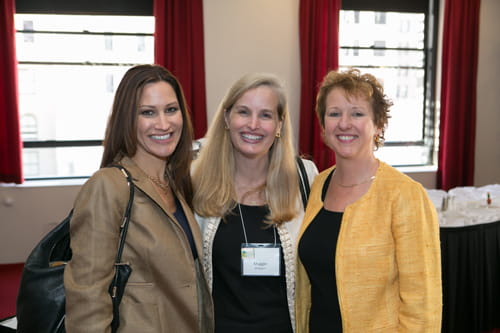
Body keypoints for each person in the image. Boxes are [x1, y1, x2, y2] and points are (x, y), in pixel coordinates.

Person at [64, 64, 214, 332]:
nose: (164, 124)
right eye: (148, 113)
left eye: (171, 109)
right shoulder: (108, 186)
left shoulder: (175, 184)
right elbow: (87, 299)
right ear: (127, 119)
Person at [295, 68, 442, 332]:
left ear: (378, 124)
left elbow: (423, 307)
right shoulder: (318, 185)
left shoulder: (405, 195)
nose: (344, 123)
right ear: (323, 125)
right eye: (334, 113)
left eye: (357, 113)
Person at [192, 73, 318, 333]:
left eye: (265, 115)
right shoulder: (196, 179)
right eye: (243, 112)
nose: (253, 124)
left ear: (280, 124)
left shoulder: (306, 177)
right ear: (227, 118)